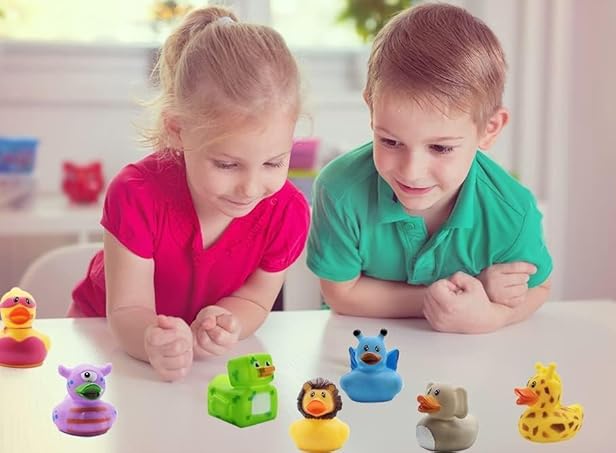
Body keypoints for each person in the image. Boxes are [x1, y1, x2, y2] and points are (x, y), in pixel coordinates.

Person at [70, 6, 309, 380]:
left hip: (197, 365)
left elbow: (256, 298)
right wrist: (151, 339)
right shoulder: (136, 195)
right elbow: (126, 310)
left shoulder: (287, 213)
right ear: (178, 130)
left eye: (274, 163)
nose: (250, 188)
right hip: (102, 345)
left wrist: (228, 322)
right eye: (227, 164)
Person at [307, 3, 552, 334]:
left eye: (440, 148)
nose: (411, 171)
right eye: (391, 141)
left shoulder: (512, 212)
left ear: (489, 129)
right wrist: (461, 294)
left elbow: (539, 287)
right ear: (371, 108)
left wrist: (492, 316)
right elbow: (341, 294)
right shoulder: (339, 190)